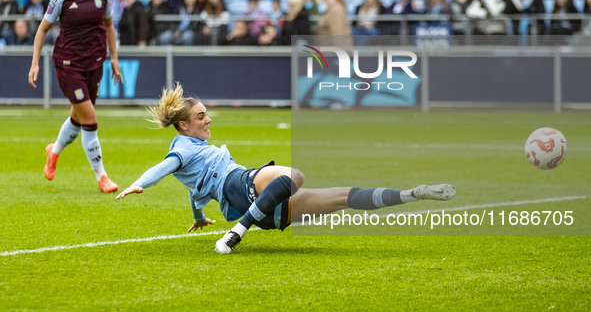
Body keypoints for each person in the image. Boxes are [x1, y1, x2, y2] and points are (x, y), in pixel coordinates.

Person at [115, 84, 456, 254]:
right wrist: (137, 184)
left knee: (343, 198)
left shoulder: (193, 149)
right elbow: (164, 167)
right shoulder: (183, 148)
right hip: (240, 183)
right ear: (184, 127)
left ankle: (412, 194)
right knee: (295, 176)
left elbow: (193, 191)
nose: (208, 119)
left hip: (257, 209)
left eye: (206, 113)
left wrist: (199, 215)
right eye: (201, 116)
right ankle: (235, 234)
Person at [27, 0, 122, 193]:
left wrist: (113, 59)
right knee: (90, 119)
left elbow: (109, 27)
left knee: (78, 118)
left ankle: (54, 151)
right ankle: (102, 177)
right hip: (68, 66)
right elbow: (41, 30)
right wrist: (35, 63)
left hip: (95, 64)